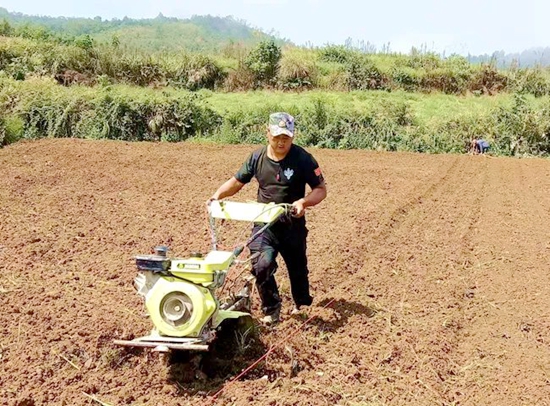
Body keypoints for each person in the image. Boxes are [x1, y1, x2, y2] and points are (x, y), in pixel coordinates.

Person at [208, 112, 327, 325]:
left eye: (286, 137)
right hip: (264, 226)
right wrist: (217, 196)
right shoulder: (257, 158)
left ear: (293, 136)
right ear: (267, 134)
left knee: (297, 268)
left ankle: (302, 305)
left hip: (292, 224)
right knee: (261, 265)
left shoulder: (303, 159)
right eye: (277, 137)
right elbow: (236, 182)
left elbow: (320, 189)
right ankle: (271, 308)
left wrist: (303, 202)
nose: (281, 142)